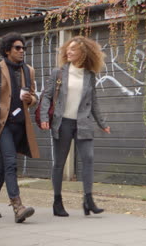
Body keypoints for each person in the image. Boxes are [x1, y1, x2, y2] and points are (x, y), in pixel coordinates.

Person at [40, 36, 110, 217]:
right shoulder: (58, 73)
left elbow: (93, 102)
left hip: (83, 123)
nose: (68, 52)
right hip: (62, 123)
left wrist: (102, 123)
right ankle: (57, 201)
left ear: (83, 52)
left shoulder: (89, 76)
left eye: (73, 49)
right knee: (59, 163)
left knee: (88, 158)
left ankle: (88, 200)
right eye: (67, 49)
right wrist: (43, 117)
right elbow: (46, 96)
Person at [0, 32, 39, 223]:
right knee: (11, 164)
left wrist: (31, 99)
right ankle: (18, 206)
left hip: (20, 126)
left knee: (3, 168)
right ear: (7, 50)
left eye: (23, 48)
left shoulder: (29, 70)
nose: (22, 51)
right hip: (2, 127)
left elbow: (34, 96)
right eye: (17, 48)